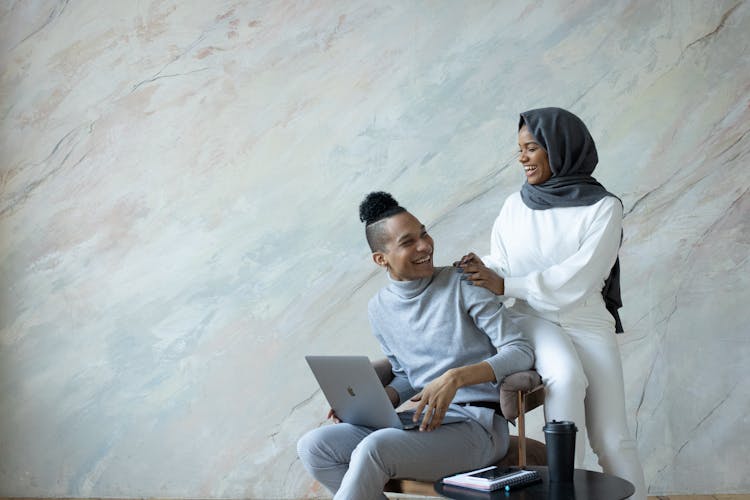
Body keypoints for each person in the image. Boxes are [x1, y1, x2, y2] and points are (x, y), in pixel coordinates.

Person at [456, 107, 646, 498]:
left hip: (588, 323)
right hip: (529, 320)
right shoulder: (515, 205)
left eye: (532, 148)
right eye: (520, 149)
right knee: (565, 386)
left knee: (613, 439)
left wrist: (505, 282)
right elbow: (503, 263)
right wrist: (478, 268)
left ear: (561, 148)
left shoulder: (604, 207)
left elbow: (579, 279)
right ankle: (564, 491)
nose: (522, 158)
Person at [297, 192, 534, 500]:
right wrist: (378, 400)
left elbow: (520, 350)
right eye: (408, 242)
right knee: (314, 446)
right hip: (420, 422)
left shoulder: (463, 282)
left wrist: (456, 378)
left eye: (424, 233)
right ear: (381, 258)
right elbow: (407, 373)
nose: (425, 246)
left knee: (375, 448)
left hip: (479, 427)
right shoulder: (379, 308)